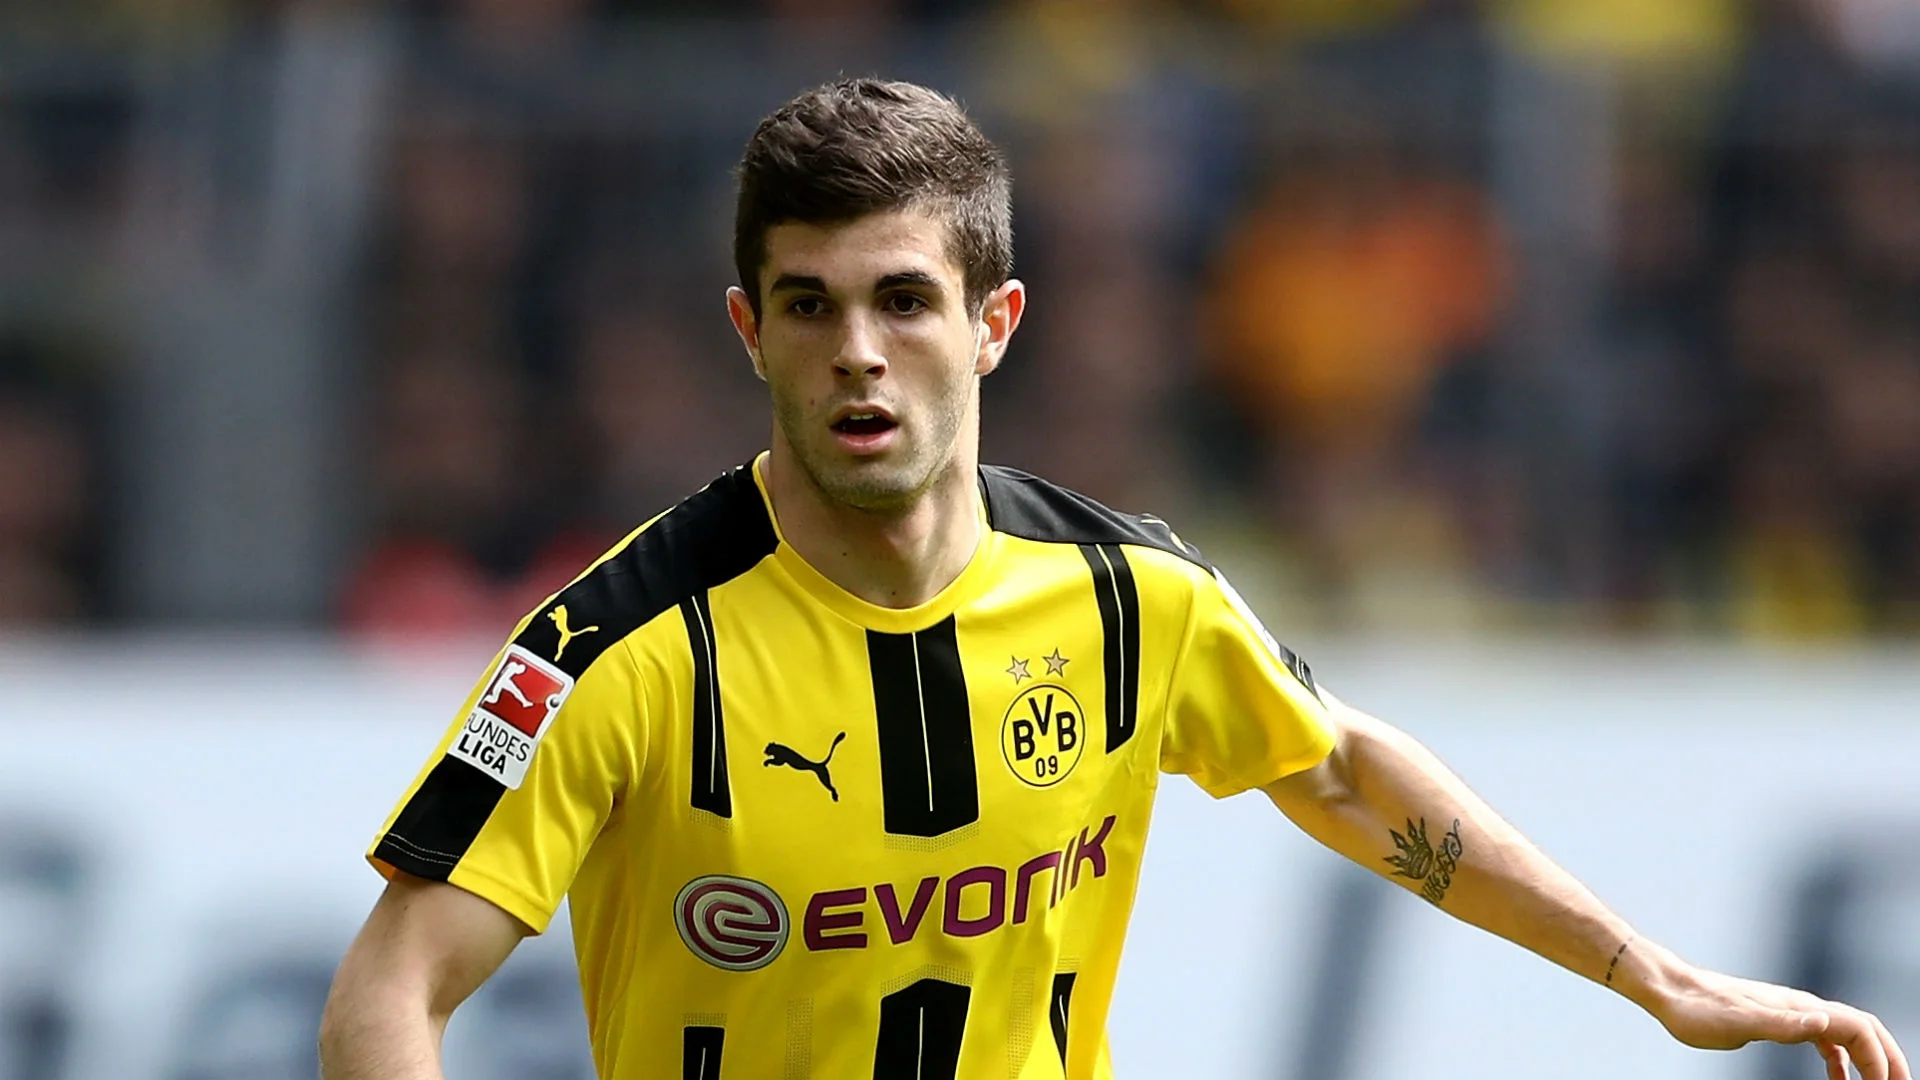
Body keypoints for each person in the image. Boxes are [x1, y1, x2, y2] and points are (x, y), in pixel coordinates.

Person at [317, 78, 1910, 1080]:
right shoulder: (616, 645)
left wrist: (1653, 977)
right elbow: (390, 994)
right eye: (808, 306)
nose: (858, 351)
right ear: (751, 333)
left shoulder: (1128, 599)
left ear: (994, 324)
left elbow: (1338, 770)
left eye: (903, 301)